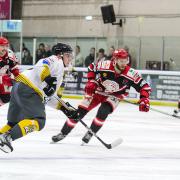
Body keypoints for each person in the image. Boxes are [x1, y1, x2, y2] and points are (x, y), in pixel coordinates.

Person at [51, 48, 152, 144]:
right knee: (79, 113)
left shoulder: (131, 74)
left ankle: (91, 133)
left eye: (126, 60)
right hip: (98, 91)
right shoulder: (105, 65)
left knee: (103, 112)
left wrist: (144, 99)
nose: (124, 63)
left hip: (115, 96)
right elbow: (92, 67)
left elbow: (145, 87)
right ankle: (63, 133)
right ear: (115, 60)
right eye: (121, 61)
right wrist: (92, 81)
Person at [0, 43, 76, 153]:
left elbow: (48, 96)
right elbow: (42, 64)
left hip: (19, 87)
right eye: (68, 55)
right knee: (39, 121)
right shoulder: (56, 60)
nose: (70, 59)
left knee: (13, 123)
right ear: (60, 55)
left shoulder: (58, 69)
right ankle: (7, 137)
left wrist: (64, 108)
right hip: (28, 89)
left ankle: (3, 135)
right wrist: (47, 79)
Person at [0, 37, 19, 106]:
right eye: (2, 46)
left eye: (6, 46)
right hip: (3, 80)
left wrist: (18, 78)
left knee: (7, 103)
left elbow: (15, 70)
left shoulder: (10, 54)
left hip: (5, 83)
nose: (5, 48)